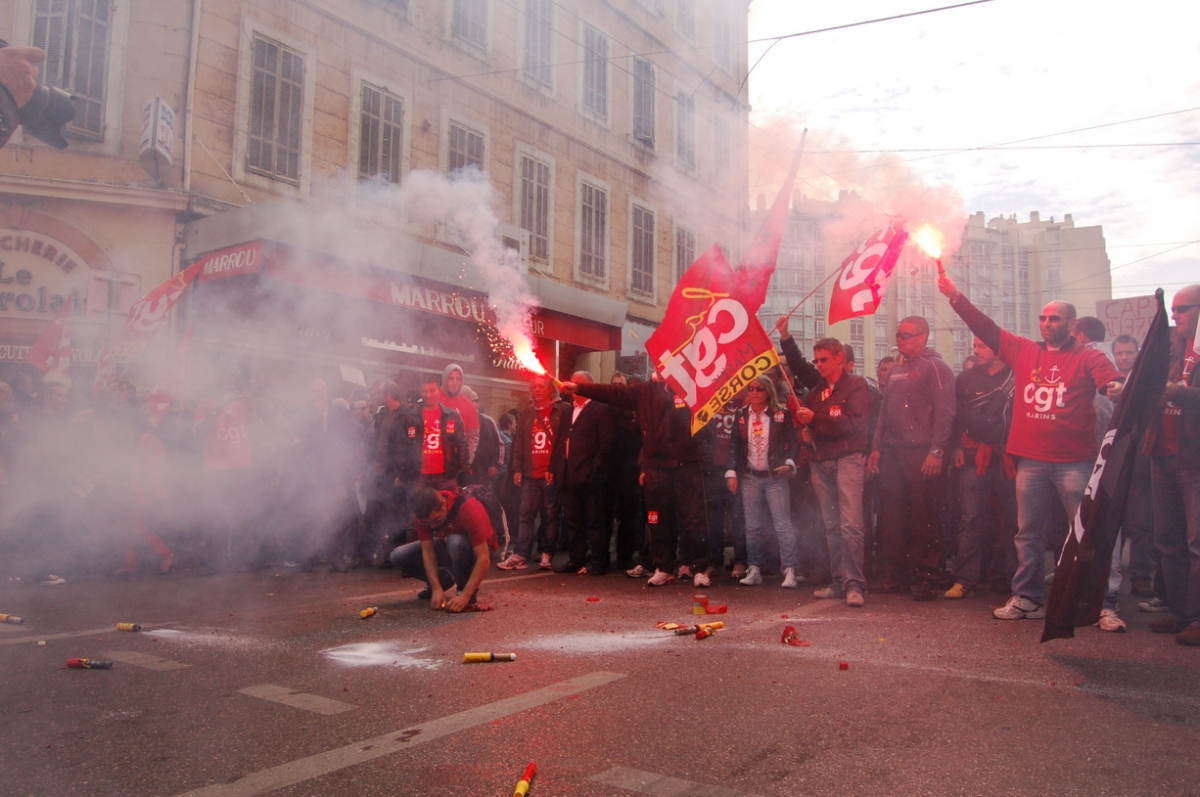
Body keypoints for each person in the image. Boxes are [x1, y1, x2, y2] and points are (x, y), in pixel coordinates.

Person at [939, 272, 1123, 620]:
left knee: (1086, 532)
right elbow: (986, 327)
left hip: (1075, 462)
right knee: (1027, 534)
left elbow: (1111, 382)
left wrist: (1116, 387)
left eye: (1055, 318)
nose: (1047, 323)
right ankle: (1028, 598)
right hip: (1032, 462)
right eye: (1043, 318)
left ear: (1072, 324)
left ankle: (1104, 602)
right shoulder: (1023, 351)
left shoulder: (1087, 357)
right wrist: (955, 296)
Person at [565, 373, 709, 587]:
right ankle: (663, 567)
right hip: (656, 466)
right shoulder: (643, 391)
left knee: (693, 518)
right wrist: (579, 388)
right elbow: (612, 393)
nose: (660, 370)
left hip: (686, 465)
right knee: (657, 520)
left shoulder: (690, 388)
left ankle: (700, 568)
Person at [867, 316, 956, 601]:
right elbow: (885, 411)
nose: (900, 340)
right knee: (892, 518)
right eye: (898, 334)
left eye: (906, 335)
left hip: (922, 452)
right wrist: (877, 447)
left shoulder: (936, 367)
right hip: (893, 451)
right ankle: (897, 575)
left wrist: (937, 451)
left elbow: (946, 412)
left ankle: (927, 576)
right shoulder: (895, 370)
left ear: (923, 337)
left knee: (924, 517)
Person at [788, 338, 872, 606]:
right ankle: (839, 581)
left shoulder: (858, 385)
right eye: (817, 361)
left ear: (839, 357)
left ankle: (855, 584)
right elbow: (817, 428)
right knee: (831, 525)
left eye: (824, 359)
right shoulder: (816, 392)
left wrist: (816, 421)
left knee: (850, 524)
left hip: (847, 458)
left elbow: (853, 425)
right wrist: (807, 431)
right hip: (821, 459)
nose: (819, 365)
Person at [1145, 286, 1200, 645]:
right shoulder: (1171, 354)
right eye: (1174, 309)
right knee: (1168, 540)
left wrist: (1175, 392)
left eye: (1182, 309)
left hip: (1193, 459)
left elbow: (1178, 393)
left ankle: (1196, 617)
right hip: (1162, 455)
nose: (1175, 315)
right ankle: (1180, 612)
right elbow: (1152, 389)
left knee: (1197, 543)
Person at [944, 336, 1017, 600]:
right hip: (975, 454)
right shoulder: (966, 378)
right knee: (970, 518)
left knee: (1012, 519)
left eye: (982, 346)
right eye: (974, 346)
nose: (976, 351)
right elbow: (957, 416)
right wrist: (955, 447)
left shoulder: (1017, 376)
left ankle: (1009, 578)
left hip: (1010, 456)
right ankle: (965, 579)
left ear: (999, 349)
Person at [727, 374, 801, 588]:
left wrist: (789, 463)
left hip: (775, 476)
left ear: (768, 391)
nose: (754, 392)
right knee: (752, 527)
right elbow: (734, 446)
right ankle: (754, 568)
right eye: (750, 388)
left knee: (783, 525)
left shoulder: (781, 414)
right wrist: (732, 472)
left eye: (759, 388)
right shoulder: (742, 415)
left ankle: (790, 569)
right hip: (750, 476)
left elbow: (794, 442)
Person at [498, 374, 568, 571]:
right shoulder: (526, 414)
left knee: (550, 515)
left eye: (541, 386)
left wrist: (555, 468)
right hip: (531, 474)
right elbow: (519, 444)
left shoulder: (561, 410)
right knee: (525, 514)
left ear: (549, 388)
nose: (537, 389)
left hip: (550, 473)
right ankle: (521, 554)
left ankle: (546, 553)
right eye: (534, 386)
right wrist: (517, 469)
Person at [389, 485, 497, 611]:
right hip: (449, 545)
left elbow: (484, 558)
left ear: (443, 505)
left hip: (479, 549)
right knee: (398, 555)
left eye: (436, 521)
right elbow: (428, 552)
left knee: (455, 542)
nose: (433, 526)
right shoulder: (422, 516)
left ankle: (464, 590)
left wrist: (465, 596)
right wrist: (436, 587)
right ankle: (444, 580)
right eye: (427, 523)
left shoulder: (468, 507)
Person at [552, 371, 614, 575]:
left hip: (590, 476)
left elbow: (606, 445)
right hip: (569, 474)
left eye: (578, 385)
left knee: (595, 521)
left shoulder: (601, 410)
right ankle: (576, 559)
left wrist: (594, 468)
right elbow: (560, 441)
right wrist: (554, 467)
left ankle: (598, 562)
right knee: (573, 520)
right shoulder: (568, 412)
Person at [402, 374, 469, 491]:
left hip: (446, 476)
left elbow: (462, 443)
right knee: (419, 509)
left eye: (432, 390)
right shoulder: (411, 417)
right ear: (420, 392)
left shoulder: (452, 415)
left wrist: (463, 469)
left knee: (447, 508)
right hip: (419, 477)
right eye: (424, 391)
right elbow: (403, 445)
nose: (428, 395)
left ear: (439, 391)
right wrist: (405, 471)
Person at [440, 364, 481, 465]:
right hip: (433, 461)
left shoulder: (469, 405)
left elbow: (473, 437)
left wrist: (468, 461)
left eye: (458, 379)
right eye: (451, 378)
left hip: (457, 463)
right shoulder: (433, 399)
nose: (455, 382)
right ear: (445, 379)